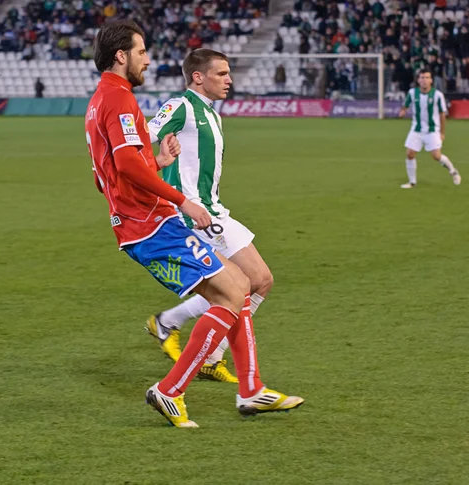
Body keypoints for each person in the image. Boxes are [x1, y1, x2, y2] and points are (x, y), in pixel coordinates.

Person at [85, 21, 303, 428]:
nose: (147, 59)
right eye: (142, 51)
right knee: (237, 289)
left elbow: (106, 174)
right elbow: (127, 164)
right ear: (122, 55)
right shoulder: (119, 99)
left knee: (239, 287)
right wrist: (181, 197)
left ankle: (249, 388)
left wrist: (157, 163)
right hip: (152, 222)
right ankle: (172, 387)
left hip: (146, 219)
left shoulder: (101, 101)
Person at [145, 47, 280, 385]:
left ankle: (170, 323)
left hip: (213, 208)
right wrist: (160, 162)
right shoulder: (181, 106)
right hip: (194, 213)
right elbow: (140, 140)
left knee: (249, 284)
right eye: (221, 73)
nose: (229, 79)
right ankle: (204, 353)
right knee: (255, 280)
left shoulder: (212, 113)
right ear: (198, 77)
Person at [399, 69, 461, 189]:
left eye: (427, 78)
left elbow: (443, 114)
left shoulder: (437, 95)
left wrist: (442, 133)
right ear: (418, 80)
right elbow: (405, 105)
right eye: (422, 78)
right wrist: (403, 111)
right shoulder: (412, 93)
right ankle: (412, 182)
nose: (424, 80)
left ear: (431, 80)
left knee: (436, 156)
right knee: (410, 154)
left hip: (432, 130)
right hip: (416, 129)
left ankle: (453, 171)